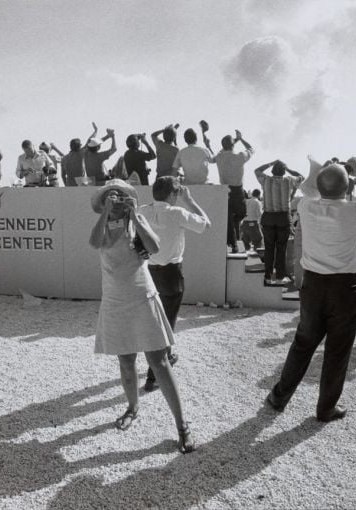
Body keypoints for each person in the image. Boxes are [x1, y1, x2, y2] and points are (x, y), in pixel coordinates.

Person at [266, 156, 356, 422]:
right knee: (338, 350)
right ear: (348, 187)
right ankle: (326, 408)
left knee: (303, 343)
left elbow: (310, 189)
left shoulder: (306, 205)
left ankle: (279, 397)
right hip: (346, 286)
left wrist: (325, 170)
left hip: (314, 284)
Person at [89, 179, 195, 454]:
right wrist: (105, 214)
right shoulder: (102, 224)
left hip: (141, 295)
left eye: (121, 195)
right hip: (114, 299)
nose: (115, 199)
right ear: (102, 202)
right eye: (110, 196)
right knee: (125, 361)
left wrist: (135, 215)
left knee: (159, 361)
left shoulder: (136, 221)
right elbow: (94, 242)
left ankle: (182, 426)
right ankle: (133, 408)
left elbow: (155, 247)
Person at [139, 176, 211, 391]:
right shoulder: (178, 213)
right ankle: (153, 377)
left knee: (155, 321)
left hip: (148, 271)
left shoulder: (142, 210)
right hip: (171, 273)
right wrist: (190, 201)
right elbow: (206, 225)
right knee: (166, 323)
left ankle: (167, 357)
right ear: (172, 194)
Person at [253, 159, 303, 281]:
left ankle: (268, 276)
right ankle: (280, 276)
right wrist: (288, 168)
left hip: (268, 217)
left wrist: (270, 163)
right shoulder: (289, 180)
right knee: (281, 248)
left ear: (272, 170)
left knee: (269, 248)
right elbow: (301, 177)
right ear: (283, 171)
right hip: (283, 218)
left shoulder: (266, 180)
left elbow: (257, 170)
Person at [215, 130, 256, 254]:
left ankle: (232, 241)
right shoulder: (240, 157)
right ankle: (233, 243)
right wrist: (241, 139)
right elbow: (251, 148)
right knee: (241, 214)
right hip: (237, 190)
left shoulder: (219, 157)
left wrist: (234, 140)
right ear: (233, 145)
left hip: (224, 190)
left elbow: (221, 151)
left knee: (230, 219)